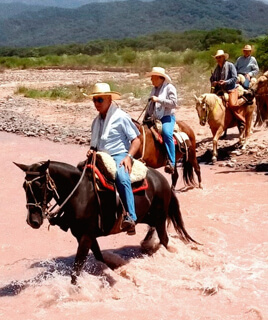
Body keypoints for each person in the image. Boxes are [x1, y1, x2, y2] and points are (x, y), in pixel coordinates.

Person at [87, 82, 140, 235]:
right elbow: (95, 145)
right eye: (94, 100)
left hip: (118, 155)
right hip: (101, 156)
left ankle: (131, 217)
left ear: (109, 99)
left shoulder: (121, 117)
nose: (96, 104)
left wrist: (129, 157)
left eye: (100, 100)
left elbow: (136, 140)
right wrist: (91, 150)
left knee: (122, 177)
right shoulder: (96, 122)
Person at [144, 67, 178, 174]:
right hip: (155, 117)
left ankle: (171, 162)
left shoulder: (169, 88)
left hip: (167, 117)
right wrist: (145, 118)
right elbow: (150, 106)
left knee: (167, 133)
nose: (151, 80)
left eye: (153, 77)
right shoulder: (154, 89)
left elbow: (174, 103)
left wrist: (158, 99)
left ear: (160, 78)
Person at [210, 49, 246, 130]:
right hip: (219, 90)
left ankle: (241, 121)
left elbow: (235, 78)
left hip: (231, 89)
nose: (218, 59)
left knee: (232, 105)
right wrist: (214, 82)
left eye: (219, 57)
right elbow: (212, 79)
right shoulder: (217, 68)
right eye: (217, 58)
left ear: (223, 57)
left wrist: (225, 82)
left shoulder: (230, 65)